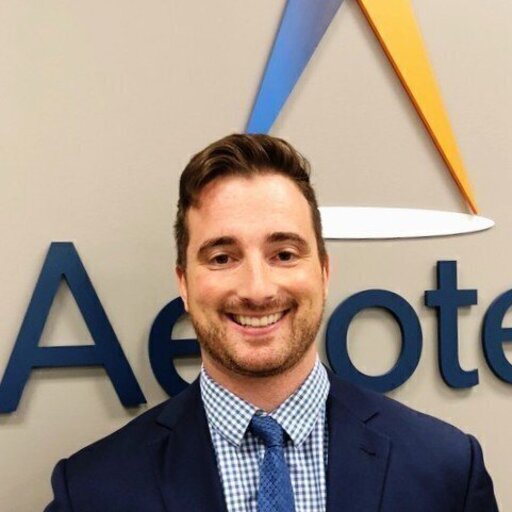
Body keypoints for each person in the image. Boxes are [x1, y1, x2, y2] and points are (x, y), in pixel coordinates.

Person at [45, 134, 498, 511]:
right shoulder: (90, 492)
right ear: (184, 283)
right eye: (222, 257)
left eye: (283, 254)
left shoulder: (446, 470)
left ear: (323, 271)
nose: (257, 289)